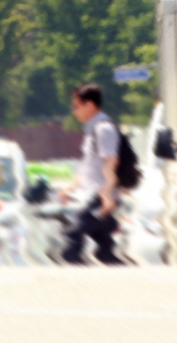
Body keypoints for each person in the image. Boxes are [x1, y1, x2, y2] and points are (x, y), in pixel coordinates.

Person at [61, 83, 123, 265]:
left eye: (76, 106)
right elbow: (88, 165)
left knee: (73, 235)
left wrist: (107, 194)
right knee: (104, 248)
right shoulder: (92, 129)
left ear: (90, 105)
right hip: (93, 193)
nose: (74, 111)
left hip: (100, 195)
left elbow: (111, 162)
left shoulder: (104, 129)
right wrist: (70, 188)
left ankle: (79, 277)